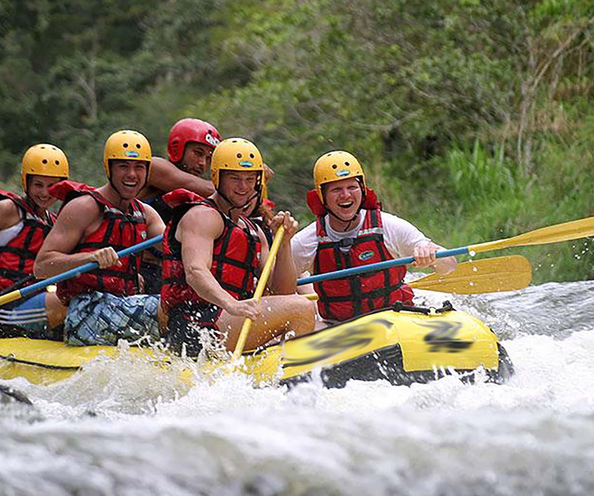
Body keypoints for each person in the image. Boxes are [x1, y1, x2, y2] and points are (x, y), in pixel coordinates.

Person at [159, 137, 315, 357]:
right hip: (193, 325)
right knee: (302, 309)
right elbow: (195, 272)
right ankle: (287, 375)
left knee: (299, 304)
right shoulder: (201, 216)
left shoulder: (253, 230)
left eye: (250, 179)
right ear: (217, 177)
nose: (243, 187)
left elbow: (283, 292)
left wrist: (285, 243)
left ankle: (275, 370)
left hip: (225, 320)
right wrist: (231, 304)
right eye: (234, 178)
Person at [292, 150, 458, 322]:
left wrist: (432, 257)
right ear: (322, 196)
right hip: (339, 328)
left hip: (397, 320)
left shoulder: (389, 226)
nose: (346, 195)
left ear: (362, 189)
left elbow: (450, 265)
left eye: (352, 187)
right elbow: (277, 286)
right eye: (336, 189)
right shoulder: (307, 240)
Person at [34, 130, 165, 346]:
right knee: (170, 308)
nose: (132, 174)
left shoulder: (145, 214)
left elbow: (173, 244)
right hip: (85, 313)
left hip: (124, 305)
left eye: (139, 167)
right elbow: (41, 267)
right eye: (123, 166)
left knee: (182, 304)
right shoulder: (84, 207)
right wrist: (89, 258)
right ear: (109, 169)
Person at [0, 143, 70, 338]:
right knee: (68, 303)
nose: (45, 192)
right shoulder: (7, 209)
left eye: (52, 186)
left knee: (80, 298)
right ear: (26, 183)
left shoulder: (54, 222)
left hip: (28, 301)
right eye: (38, 185)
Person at [137, 119, 222, 294]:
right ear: (178, 149)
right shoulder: (154, 167)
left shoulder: (206, 194)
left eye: (208, 158)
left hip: (173, 275)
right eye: (197, 153)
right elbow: (196, 186)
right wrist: (243, 181)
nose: (202, 164)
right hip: (142, 269)